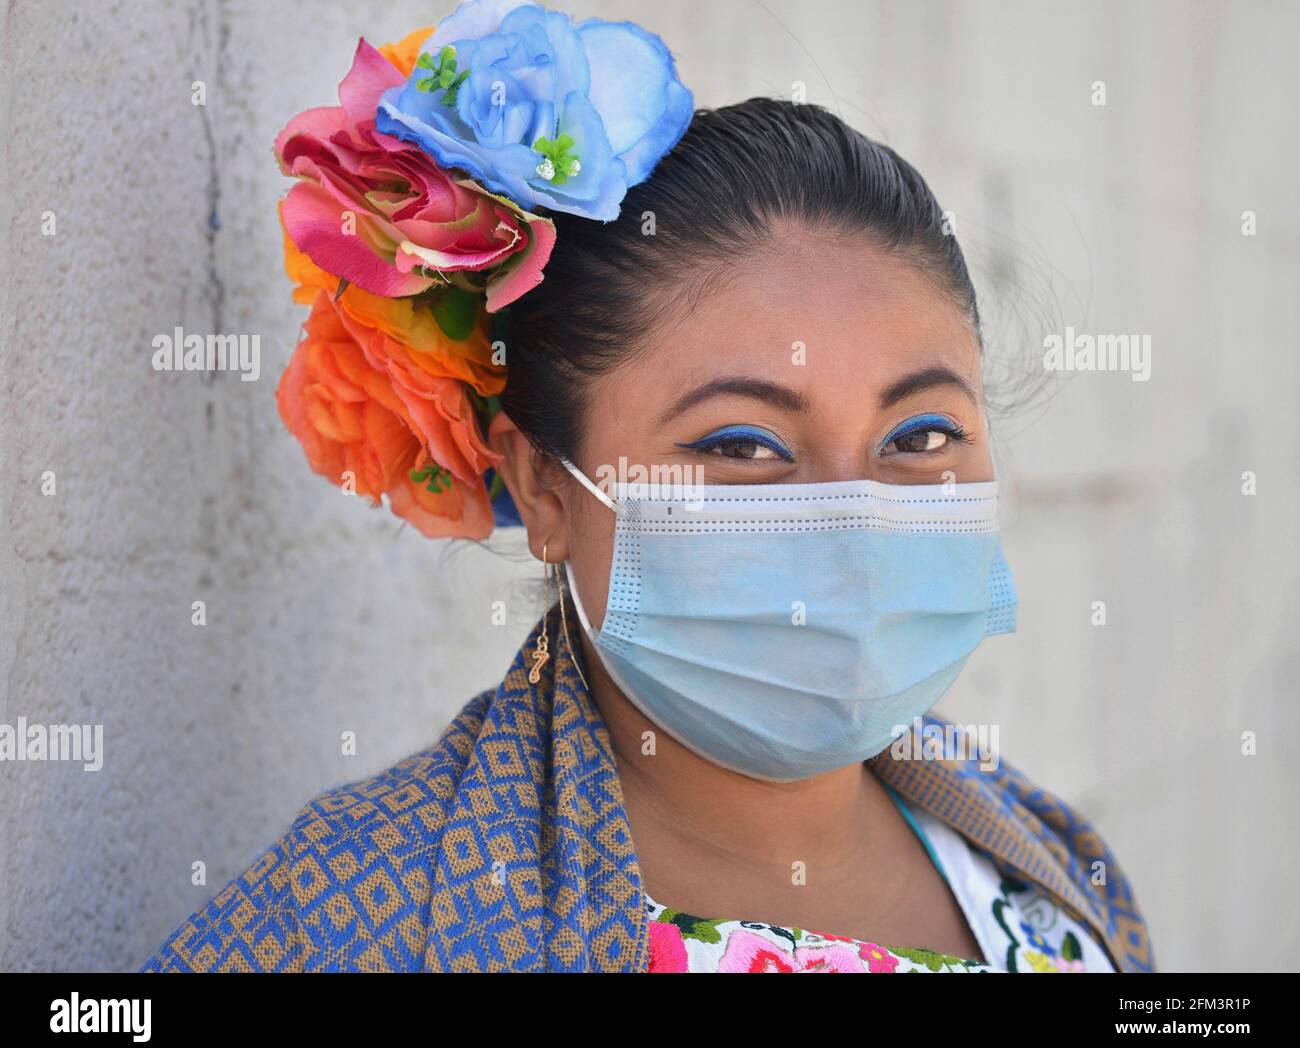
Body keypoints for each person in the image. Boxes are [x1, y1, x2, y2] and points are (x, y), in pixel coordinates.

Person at [141, 0, 1153, 974]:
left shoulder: (1050, 872)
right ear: (543, 486)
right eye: (745, 445)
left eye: (921, 433)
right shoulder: (355, 921)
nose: (857, 516)